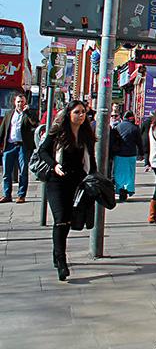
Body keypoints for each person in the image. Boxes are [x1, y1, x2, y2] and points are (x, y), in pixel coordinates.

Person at [37, 100, 97, 281]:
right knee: (61, 219)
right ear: (68, 114)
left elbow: (91, 159)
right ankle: (62, 263)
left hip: (77, 181)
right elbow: (43, 151)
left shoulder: (86, 134)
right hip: (57, 180)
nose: (81, 116)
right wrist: (54, 165)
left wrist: (94, 177)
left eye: (83, 113)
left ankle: (57, 253)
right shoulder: (58, 132)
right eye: (77, 112)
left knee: (68, 221)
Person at [1, 93, 38, 203]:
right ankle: (7, 194)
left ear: (25, 103)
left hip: (23, 146)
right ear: (14, 103)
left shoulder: (28, 114)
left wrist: (27, 112)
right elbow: (3, 129)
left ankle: (21, 195)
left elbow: (36, 123)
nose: (20, 104)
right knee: (6, 172)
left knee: (23, 171)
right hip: (10, 145)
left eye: (22, 102)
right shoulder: (9, 114)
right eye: (18, 102)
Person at [112, 111, 144, 201]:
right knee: (130, 173)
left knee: (119, 172)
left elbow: (113, 141)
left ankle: (120, 187)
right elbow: (139, 142)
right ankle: (127, 188)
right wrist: (142, 153)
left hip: (119, 154)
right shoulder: (135, 127)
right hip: (131, 153)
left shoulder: (117, 127)